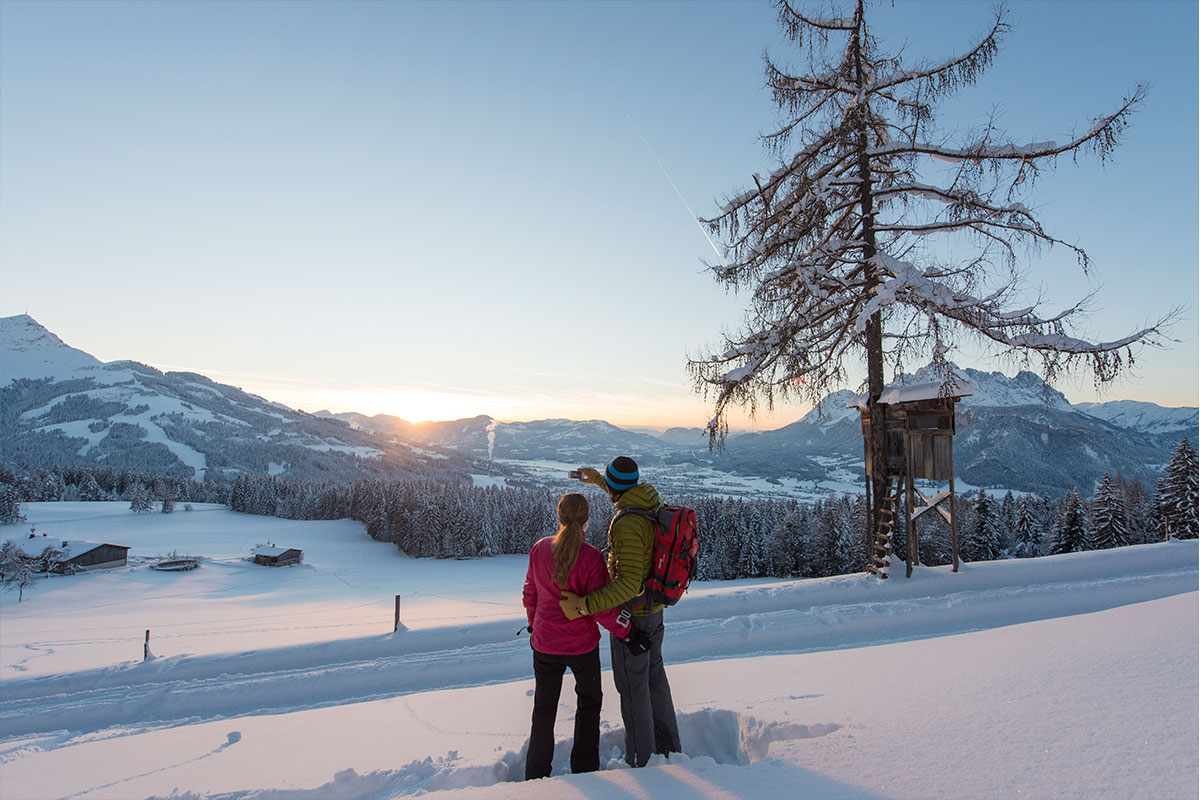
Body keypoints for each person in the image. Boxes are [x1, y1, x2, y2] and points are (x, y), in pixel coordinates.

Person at [560, 456, 681, 767]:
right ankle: (669, 747)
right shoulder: (649, 499)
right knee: (654, 676)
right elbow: (623, 493)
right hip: (655, 612)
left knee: (632, 686)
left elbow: (628, 584)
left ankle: (642, 760)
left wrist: (585, 605)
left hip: (635, 615)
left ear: (616, 488)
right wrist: (599, 480)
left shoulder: (627, 523)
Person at [522, 492, 631, 780]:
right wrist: (627, 632)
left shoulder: (540, 549)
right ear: (587, 520)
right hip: (581, 647)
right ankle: (585, 770)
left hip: (544, 644)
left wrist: (536, 624)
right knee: (589, 703)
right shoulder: (592, 557)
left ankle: (535, 774)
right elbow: (601, 608)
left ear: (558, 517)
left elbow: (530, 593)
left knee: (543, 709)